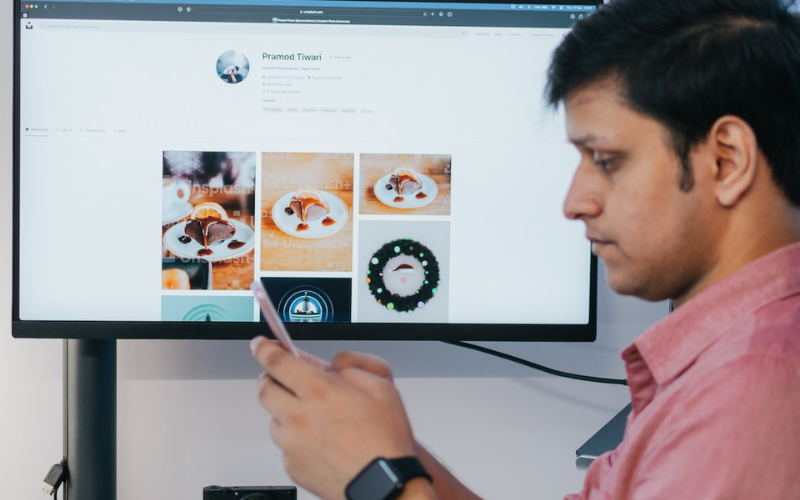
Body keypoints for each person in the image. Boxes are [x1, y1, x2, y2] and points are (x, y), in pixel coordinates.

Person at [250, 0, 800, 498]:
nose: (574, 202)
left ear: (726, 160)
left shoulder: (752, 394)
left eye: (606, 161)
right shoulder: (718, 364)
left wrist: (377, 480)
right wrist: (392, 450)